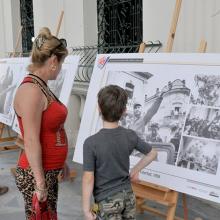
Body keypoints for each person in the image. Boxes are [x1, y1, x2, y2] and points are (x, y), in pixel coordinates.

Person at [13, 27, 69, 219]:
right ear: (53, 61)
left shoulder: (40, 86)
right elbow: (29, 139)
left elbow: (52, 129)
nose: (61, 69)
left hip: (48, 171)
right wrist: (40, 183)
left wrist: (63, 163)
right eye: (61, 63)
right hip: (35, 173)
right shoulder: (32, 90)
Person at [82, 85, 157, 220]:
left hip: (106, 201)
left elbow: (88, 179)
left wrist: (86, 209)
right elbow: (152, 153)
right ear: (124, 111)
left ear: (99, 108)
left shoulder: (91, 143)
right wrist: (135, 170)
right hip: (128, 197)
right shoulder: (130, 136)